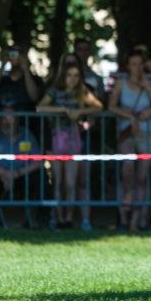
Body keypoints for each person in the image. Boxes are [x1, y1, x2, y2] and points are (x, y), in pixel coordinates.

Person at [36, 57, 103, 230]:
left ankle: (69, 218)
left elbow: (98, 107)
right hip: (58, 137)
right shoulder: (54, 91)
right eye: (69, 75)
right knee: (58, 182)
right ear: (63, 76)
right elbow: (40, 107)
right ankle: (58, 217)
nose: (72, 79)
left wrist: (80, 111)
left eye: (76, 75)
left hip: (74, 139)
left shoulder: (82, 91)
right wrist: (64, 110)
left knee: (71, 183)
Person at [108, 48, 151, 232]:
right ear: (128, 66)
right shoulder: (121, 83)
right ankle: (124, 215)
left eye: (140, 64)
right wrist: (131, 116)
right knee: (127, 171)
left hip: (147, 134)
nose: (137, 67)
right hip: (126, 132)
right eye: (133, 64)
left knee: (142, 177)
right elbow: (111, 106)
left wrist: (149, 90)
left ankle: (139, 220)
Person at [0, 107, 43, 228]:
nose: (6, 123)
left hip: (22, 174)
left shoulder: (27, 134)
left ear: (17, 121)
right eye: (3, 119)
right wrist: (4, 173)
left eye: (10, 119)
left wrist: (18, 173)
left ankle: (36, 217)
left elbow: (38, 161)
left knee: (41, 177)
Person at [0, 44, 40, 111]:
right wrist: (3, 65)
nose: (14, 56)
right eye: (11, 52)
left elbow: (34, 97)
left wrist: (26, 69)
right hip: (2, 119)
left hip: (25, 119)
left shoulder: (34, 79)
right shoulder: (1, 78)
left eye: (18, 52)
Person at [73, 37, 106, 102]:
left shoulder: (97, 78)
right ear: (75, 51)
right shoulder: (64, 75)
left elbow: (101, 100)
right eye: (80, 49)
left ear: (90, 52)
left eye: (86, 49)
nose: (83, 52)